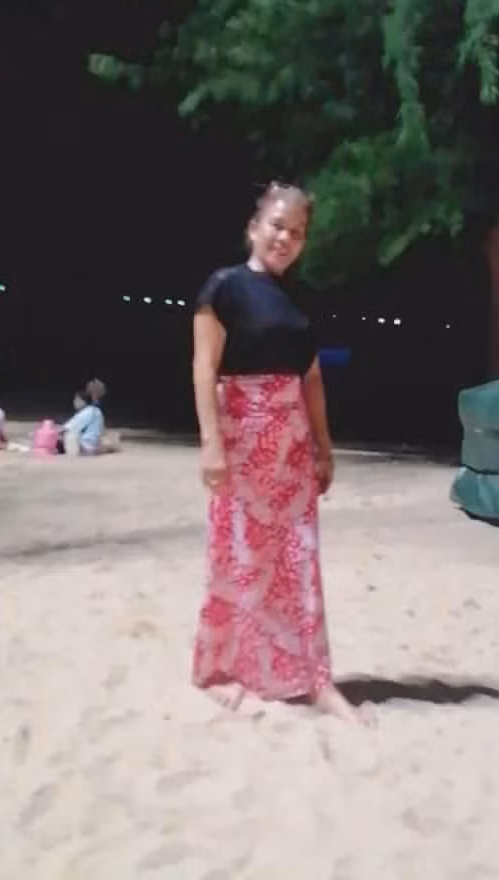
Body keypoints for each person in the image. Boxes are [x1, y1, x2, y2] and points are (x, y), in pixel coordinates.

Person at [191, 181, 364, 722]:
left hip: (291, 444)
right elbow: (204, 368)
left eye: (297, 231)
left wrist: (323, 447)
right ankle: (227, 671)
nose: (285, 238)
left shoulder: (298, 300)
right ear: (254, 228)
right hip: (242, 438)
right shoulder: (224, 287)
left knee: (297, 561)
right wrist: (211, 445)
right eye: (277, 226)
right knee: (240, 558)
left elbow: (310, 379)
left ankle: (314, 679)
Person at [60, 389, 104, 456]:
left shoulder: (87, 412)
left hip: (86, 447)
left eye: (76, 400)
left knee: (67, 435)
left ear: (83, 401)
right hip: (95, 445)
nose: (74, 402)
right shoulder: (95, 410)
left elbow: (68, 428)